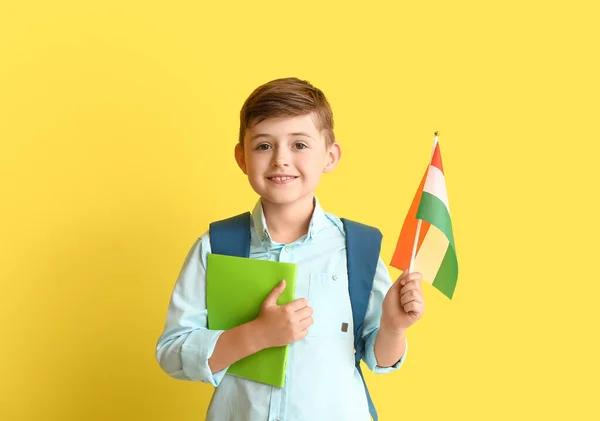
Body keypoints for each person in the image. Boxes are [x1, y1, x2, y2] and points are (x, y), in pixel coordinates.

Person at [155, 77, 425, 421]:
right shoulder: (215, 247)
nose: (281, 159)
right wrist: (253, 335)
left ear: (330, 156)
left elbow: (381, 359)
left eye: (299, 145)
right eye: (264, 146)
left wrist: (392, 327)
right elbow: (172, 352)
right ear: (241, 157)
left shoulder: (358, 248)